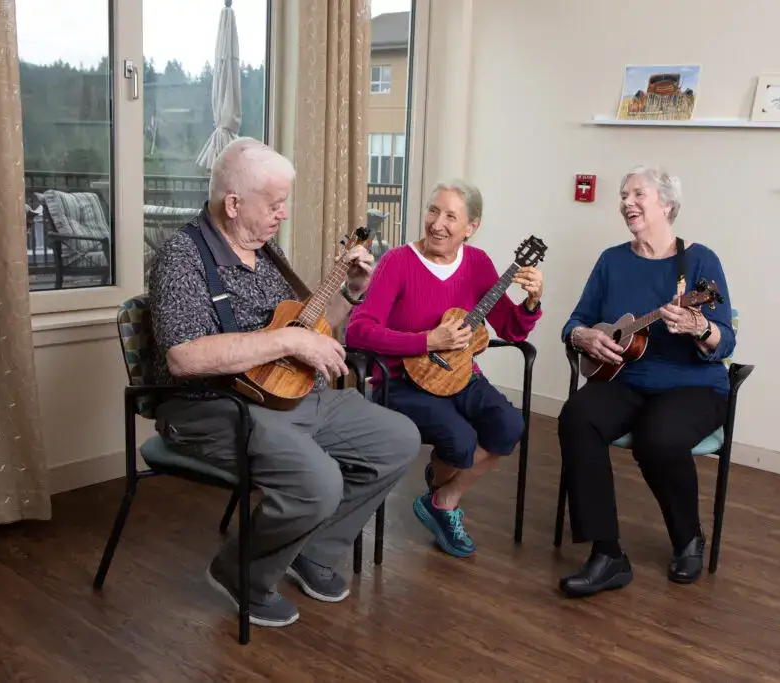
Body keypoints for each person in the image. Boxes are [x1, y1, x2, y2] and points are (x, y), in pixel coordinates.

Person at [147, 138, 421, 628]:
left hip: (291, 393)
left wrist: (353, 292)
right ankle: (240, 573)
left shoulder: (265, 250)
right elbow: (184, 357)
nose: (284, 215)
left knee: (399, 437)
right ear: (233, 204)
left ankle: (310, 549)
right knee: (319, 481)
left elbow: (313, 328)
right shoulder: (181, 257)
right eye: (274, 205)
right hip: (213, 406)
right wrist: (286, 344)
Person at [556, 165, 735, 597]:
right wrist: (584, 336)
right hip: (625, 378)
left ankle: (688, 538)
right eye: (623, 196)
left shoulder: (699, 260)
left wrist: (699, 326)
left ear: (667, 205)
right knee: (577, 416)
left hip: (692, 385)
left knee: (660, 436)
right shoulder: (611, 260)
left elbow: (725, 340)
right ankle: (607, 554)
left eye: (637, 194)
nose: (626, 203)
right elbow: (575, 321)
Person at [344, 179, 544, 558]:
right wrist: (426, 341)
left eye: (451, 216)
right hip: (400, 380)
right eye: (433, 211)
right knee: (461, 441)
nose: (437, 223)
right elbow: (358, 332)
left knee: (509, 425)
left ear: (471, 227)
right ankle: (443, 482)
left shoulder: (480, 264)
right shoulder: (397, 262)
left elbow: (512, 330)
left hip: (460, 374)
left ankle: (443, 499)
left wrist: (532, 303)